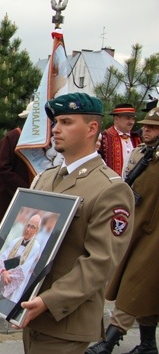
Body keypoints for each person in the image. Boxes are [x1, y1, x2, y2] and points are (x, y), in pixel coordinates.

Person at [0, 92, 134, 354]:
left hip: (65, 318)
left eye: (66, 122)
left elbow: (100, 263)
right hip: (30, 310)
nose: (55, 129)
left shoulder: (109, 189)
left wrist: (49, 300)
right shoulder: (45, 178)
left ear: (92, 128)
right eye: (55, 122)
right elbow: (19, 237)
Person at [86, 106, 159, 354]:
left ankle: (109, 341)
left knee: (134, 286)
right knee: (146, 291)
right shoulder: (142, 153)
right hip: (138, 228)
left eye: (153, 127)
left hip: (155, 235)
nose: (145, 129)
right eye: (145, 125)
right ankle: (148, 345)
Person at [0, 214, 42, 310]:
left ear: (37, 230)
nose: (28, 229)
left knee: (6, 309)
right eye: (28, 225)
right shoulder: (16, 241)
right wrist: (3, 272)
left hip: (15, 285)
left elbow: (24, 269)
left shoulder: (36, 246)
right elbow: (1, 258)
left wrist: (7, 276)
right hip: (2, 279)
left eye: (32, 227)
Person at [0, 102, 34, 222]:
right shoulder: (12, 138)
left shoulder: (48, 141)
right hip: (15, 196)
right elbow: (3, 169)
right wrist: (26, 189)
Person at [98, 103, 140, 176]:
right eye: (127, 118)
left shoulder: (136, 138)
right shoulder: (104, 137)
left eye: (133, 118)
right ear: (116, 119)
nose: (131, 122)